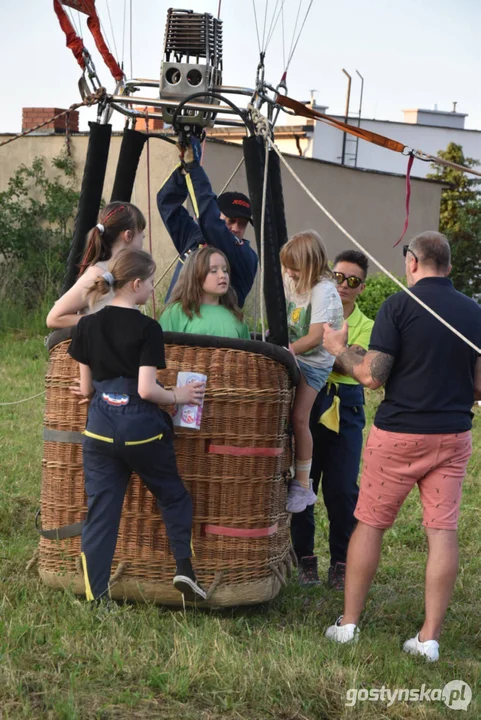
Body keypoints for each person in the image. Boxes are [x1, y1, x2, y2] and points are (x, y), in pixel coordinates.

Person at [322, 231, 481, 661]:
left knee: (370, 524)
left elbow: (374, 375)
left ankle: (349, 624)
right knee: (442, 531)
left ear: (413, 262)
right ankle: (428, 638)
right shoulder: (474, 312)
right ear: (446, 265)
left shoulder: (398, 305)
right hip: (452, 435)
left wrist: (339, 350)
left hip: (398, 435)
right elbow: (479, 385)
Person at [68, 248, 207, 603]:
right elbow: (147, 389)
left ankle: (95, 595)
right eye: (150, 283)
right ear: (136, 283)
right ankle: (184, 569)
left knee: (101, 512)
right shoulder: (148, 328)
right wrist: (179, 395)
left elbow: (85, 389)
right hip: (142, 429)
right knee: (172, 495)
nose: (153, 291)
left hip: (98, 429)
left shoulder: (86, 325)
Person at [291, 250, 373, 589]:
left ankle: (341, 563)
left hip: (346, 406)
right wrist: (335, 350)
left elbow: (358, 367)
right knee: (302, 483)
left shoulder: (368, 324)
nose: (343, 285)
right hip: (310, 400)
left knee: (341, 490)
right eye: (338, 277)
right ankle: (304, 560)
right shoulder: (310, 310)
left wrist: (320, 348)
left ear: (362, 287)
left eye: (352, 281)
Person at [280, 230, 343, 513]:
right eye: (287, 267)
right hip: (293, 353)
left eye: (294, 268)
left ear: (311, 266)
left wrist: (286, 349)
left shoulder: (324, 290)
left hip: (314, 363)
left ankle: (303, 484)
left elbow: (316, 336)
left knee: (298, 417)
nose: (289, 273)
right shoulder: (293, 279)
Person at [157, 135, 258, 307]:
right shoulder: (195, 238)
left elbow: (212, 224)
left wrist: (194, 168)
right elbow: (167, 204)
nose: (236, 228)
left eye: (242, 224)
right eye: (231, 220)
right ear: (218, 214)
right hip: (176, 329)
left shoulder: (246, 256)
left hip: (212, 333)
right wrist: (184, 171)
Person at [47, 202, 146, 328]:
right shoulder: (97, 274)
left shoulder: (125, 273)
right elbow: (54, 318)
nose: (143, 240)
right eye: (141, 236)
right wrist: (102, 321)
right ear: (128, 235)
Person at [160, 245, 250, 340]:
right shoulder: (176, 312)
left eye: (225, 270)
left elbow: (246, 353)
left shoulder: (236, 315)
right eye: (213, 271)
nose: (223, 275)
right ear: (195, 274)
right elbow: (162, 350)